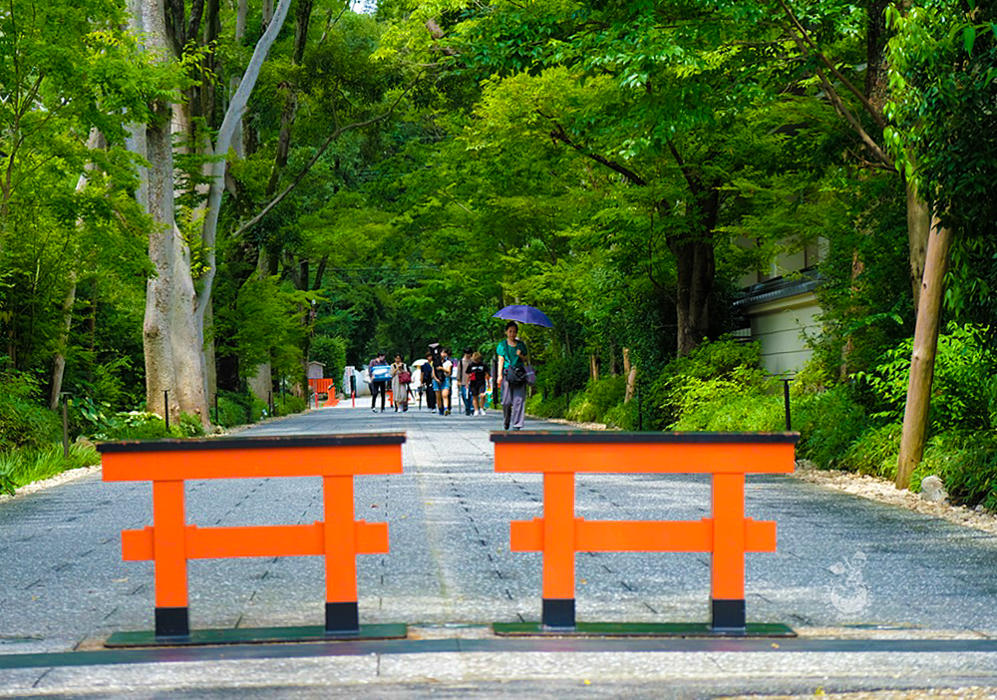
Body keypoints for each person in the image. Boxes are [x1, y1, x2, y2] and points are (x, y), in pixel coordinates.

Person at [496, 321, 528, 430]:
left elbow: (526, 360)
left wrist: (521, 355)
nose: (512, 334)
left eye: (514, 332)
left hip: (519, 374)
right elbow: (500, 360)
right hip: (507, 373)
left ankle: (517, 424)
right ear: (506, 332)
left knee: (519, 399)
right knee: (506, 401)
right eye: (510, 331)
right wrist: (499, 375)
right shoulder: (502, 345)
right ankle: (506, 420)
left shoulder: (521, 345)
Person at [467, 351, 489, 416]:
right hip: (473, 382)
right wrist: (467, 382)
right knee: (475, 396)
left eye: (477, 360)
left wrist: (488, 383)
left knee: (482, 395)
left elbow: (487, 373)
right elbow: (468, 374)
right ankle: (476, 410)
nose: (476, 361)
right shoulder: (471, 365)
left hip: (481, 382)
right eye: (475, 360)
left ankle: (481, 408)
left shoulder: (483, 364)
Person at [433, 347, 453, 415]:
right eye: (442, 352)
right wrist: (436, 379)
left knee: (445, 395)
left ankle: (446, 408)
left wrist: (442, 368)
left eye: (445, 353)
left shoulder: (448, 362)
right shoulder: (435, 361)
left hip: (445, 379)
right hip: (436, 380)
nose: (444, 354)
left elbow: (449, 372)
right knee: (438, 396)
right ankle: (440, 409)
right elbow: (433, 372)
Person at [457, 348, 474, 415]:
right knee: (464, 395)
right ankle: (467, 407)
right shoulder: (461, 362)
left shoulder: (472, 361)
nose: (468, 355)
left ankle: (471, 408)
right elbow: (459, 371)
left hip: (472, 381)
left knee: (472, 395)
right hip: (463, 381)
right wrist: (458, 380)